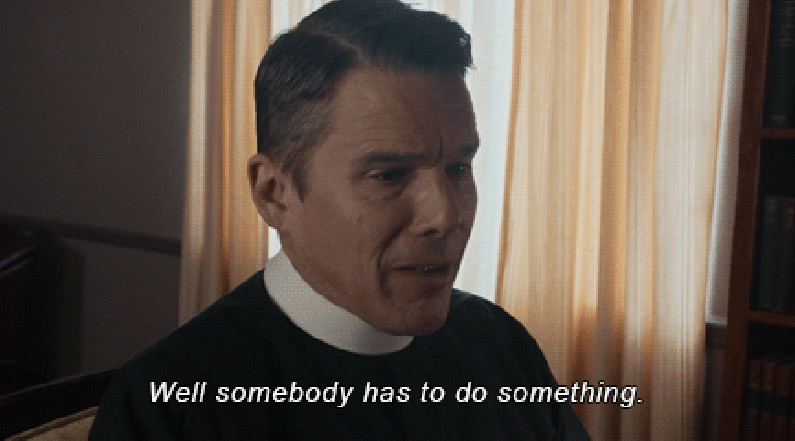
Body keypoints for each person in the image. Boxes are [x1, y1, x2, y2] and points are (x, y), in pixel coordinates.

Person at [90, 0, 590, 438]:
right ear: (274, 193)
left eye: (458, 168)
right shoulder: (171, 406)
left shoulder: (499, 343)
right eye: (390, 174)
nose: (446, 216)